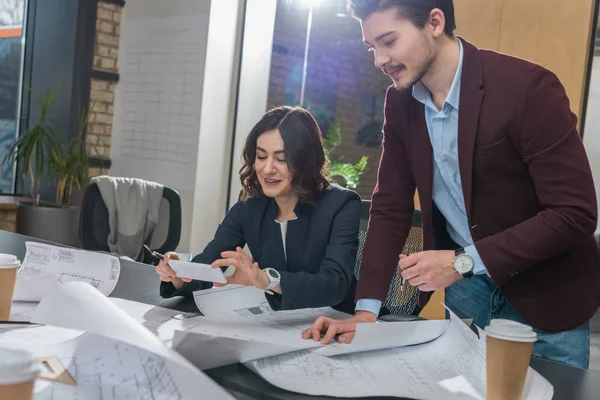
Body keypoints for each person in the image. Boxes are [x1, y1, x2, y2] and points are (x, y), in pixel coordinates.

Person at [303, 0, 600, 369]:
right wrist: (367, 311)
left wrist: (462, 262)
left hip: (547, 293)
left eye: (389, 41)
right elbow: (390, 206)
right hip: (468, 295)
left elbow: (575, 213)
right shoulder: (399, 103)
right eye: (371, 47)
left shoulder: (527, 88)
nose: (380, 59)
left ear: (435, 22)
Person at [156, 106, 361, 313]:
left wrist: (268, 280)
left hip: (337, 322)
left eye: (281, 158)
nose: (268, 169)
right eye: (261, 156)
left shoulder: (341, 204)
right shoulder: (250, 204)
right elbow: (211, 263)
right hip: (277, 322)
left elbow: (335, 285)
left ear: (305, 160)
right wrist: (179, 274)